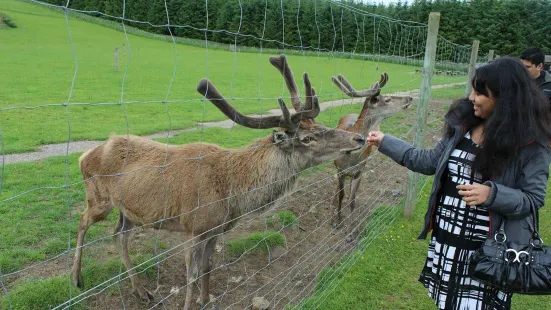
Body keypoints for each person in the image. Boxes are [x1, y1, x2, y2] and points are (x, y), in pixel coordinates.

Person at [367, 57, 551, 310]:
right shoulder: (463, 126)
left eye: (479, 92)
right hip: (448, 241)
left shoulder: (531, 144)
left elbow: (533, 200)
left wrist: (492, 194)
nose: (471, 97)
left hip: (487, 252)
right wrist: (386, 141)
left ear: (504, 97)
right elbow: (430, 161)